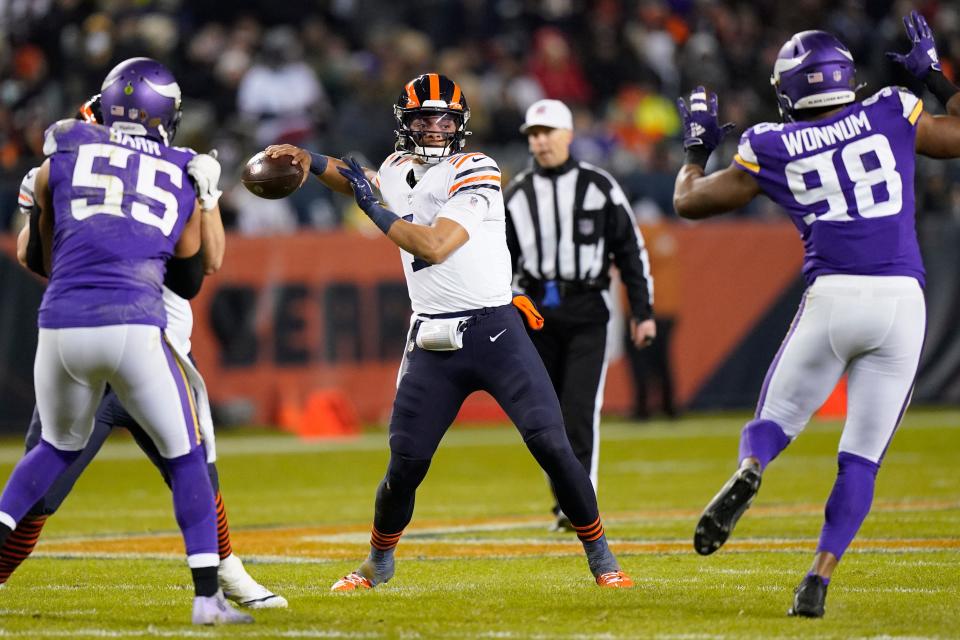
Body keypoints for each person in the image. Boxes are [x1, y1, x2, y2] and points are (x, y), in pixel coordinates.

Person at [265, 73, 634, 590]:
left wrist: (371, 206)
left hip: (494, 330)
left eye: (444, 119)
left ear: (460, 125)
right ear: (405, 123)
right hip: (431, 340)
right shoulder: (396, 168)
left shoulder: (476, 168)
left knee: (552, 444)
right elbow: (362, 179)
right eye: (423, 118)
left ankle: (602, 557)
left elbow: (434, 245)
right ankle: (378, 560)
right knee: (405, 465)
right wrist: (311, 160)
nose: (434, 128)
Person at [673, 22, 960, 618]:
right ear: (845, 76)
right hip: (902, 303)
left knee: (773, 421)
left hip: (832, 299)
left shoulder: (771, 143)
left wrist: (698, 147)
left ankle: (752, 470)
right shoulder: (892, 108)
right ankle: (817, 580)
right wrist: (934, 75)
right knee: (861, 458)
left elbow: (689, 202)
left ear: (788, 91)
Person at [0, 57, 256, 625]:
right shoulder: (179, 166)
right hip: (138, 329)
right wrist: (207, 200)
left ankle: (232, 576)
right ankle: (207, 596)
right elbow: (196, 274)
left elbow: (36, 256)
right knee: (188, 457)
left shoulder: (59, 157)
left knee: (50, 453)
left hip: (62, 322)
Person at [503, 99, 656, 531]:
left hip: (588, 308)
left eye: (547, 132)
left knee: (580, 409)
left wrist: (642, 311)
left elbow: (631, 251)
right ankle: (565, 503)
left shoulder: (600, 186)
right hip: (535, 314)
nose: (540, 141)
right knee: (545, 415)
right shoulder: (515, 195)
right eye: (533, 134)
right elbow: (500, 262)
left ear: (568, 135)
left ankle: (578, 506)